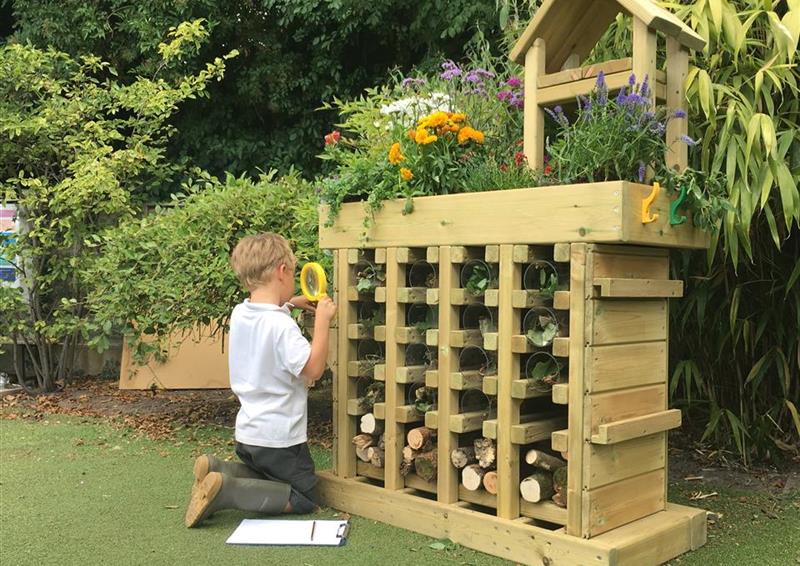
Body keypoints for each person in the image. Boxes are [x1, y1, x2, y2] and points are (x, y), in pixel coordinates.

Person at [185, 232, 336, 527]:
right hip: (280, 439)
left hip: (249, 435)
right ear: (282, 272)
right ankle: (227, 490)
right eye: (292, 273)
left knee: (268, 476)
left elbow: (266, 312)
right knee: (303, 496)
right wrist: (322, 322)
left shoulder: (241, 313)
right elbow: (313, 369)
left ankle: (218, 469)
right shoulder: (282, 327)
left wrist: (291, 302)